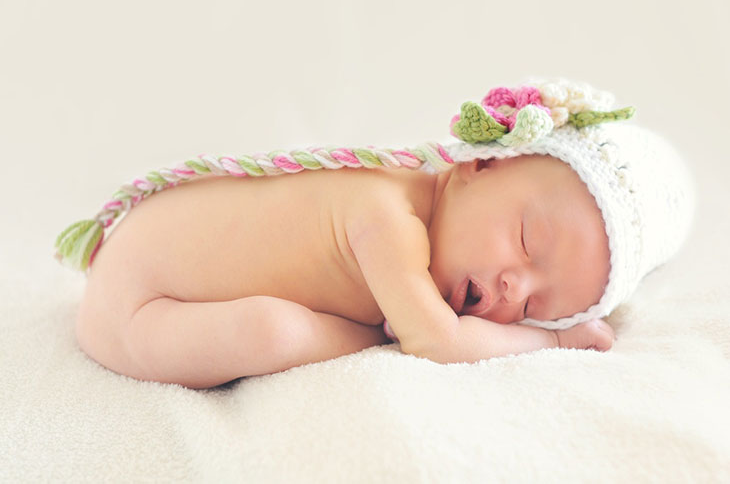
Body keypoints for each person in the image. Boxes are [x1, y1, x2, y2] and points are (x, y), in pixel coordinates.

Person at [54, 78, 694, 389]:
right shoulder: (387, 215)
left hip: (150, 271)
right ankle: (370, 332)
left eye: (535, 303)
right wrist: (550, 337)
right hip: (135, 310)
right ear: (480, 164)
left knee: (277, 325)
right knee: (269, 333)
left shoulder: (417, 209)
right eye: (527, 242)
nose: (511, 285)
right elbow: (439, 345)